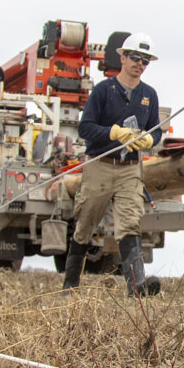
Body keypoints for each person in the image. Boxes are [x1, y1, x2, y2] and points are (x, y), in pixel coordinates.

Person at [64, 33, 163, 297]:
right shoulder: (103, 90)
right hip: (100, 166)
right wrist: (114, 133)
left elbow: (156, 132)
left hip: (130, 169)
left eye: (145, 61)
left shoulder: (149, 95)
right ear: (122, 57)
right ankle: (70, 285)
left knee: (130, 223)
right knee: (85, 223)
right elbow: (85, 128)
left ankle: (136, 287)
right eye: (135, 58)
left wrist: (148, 141)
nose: (139, 64)